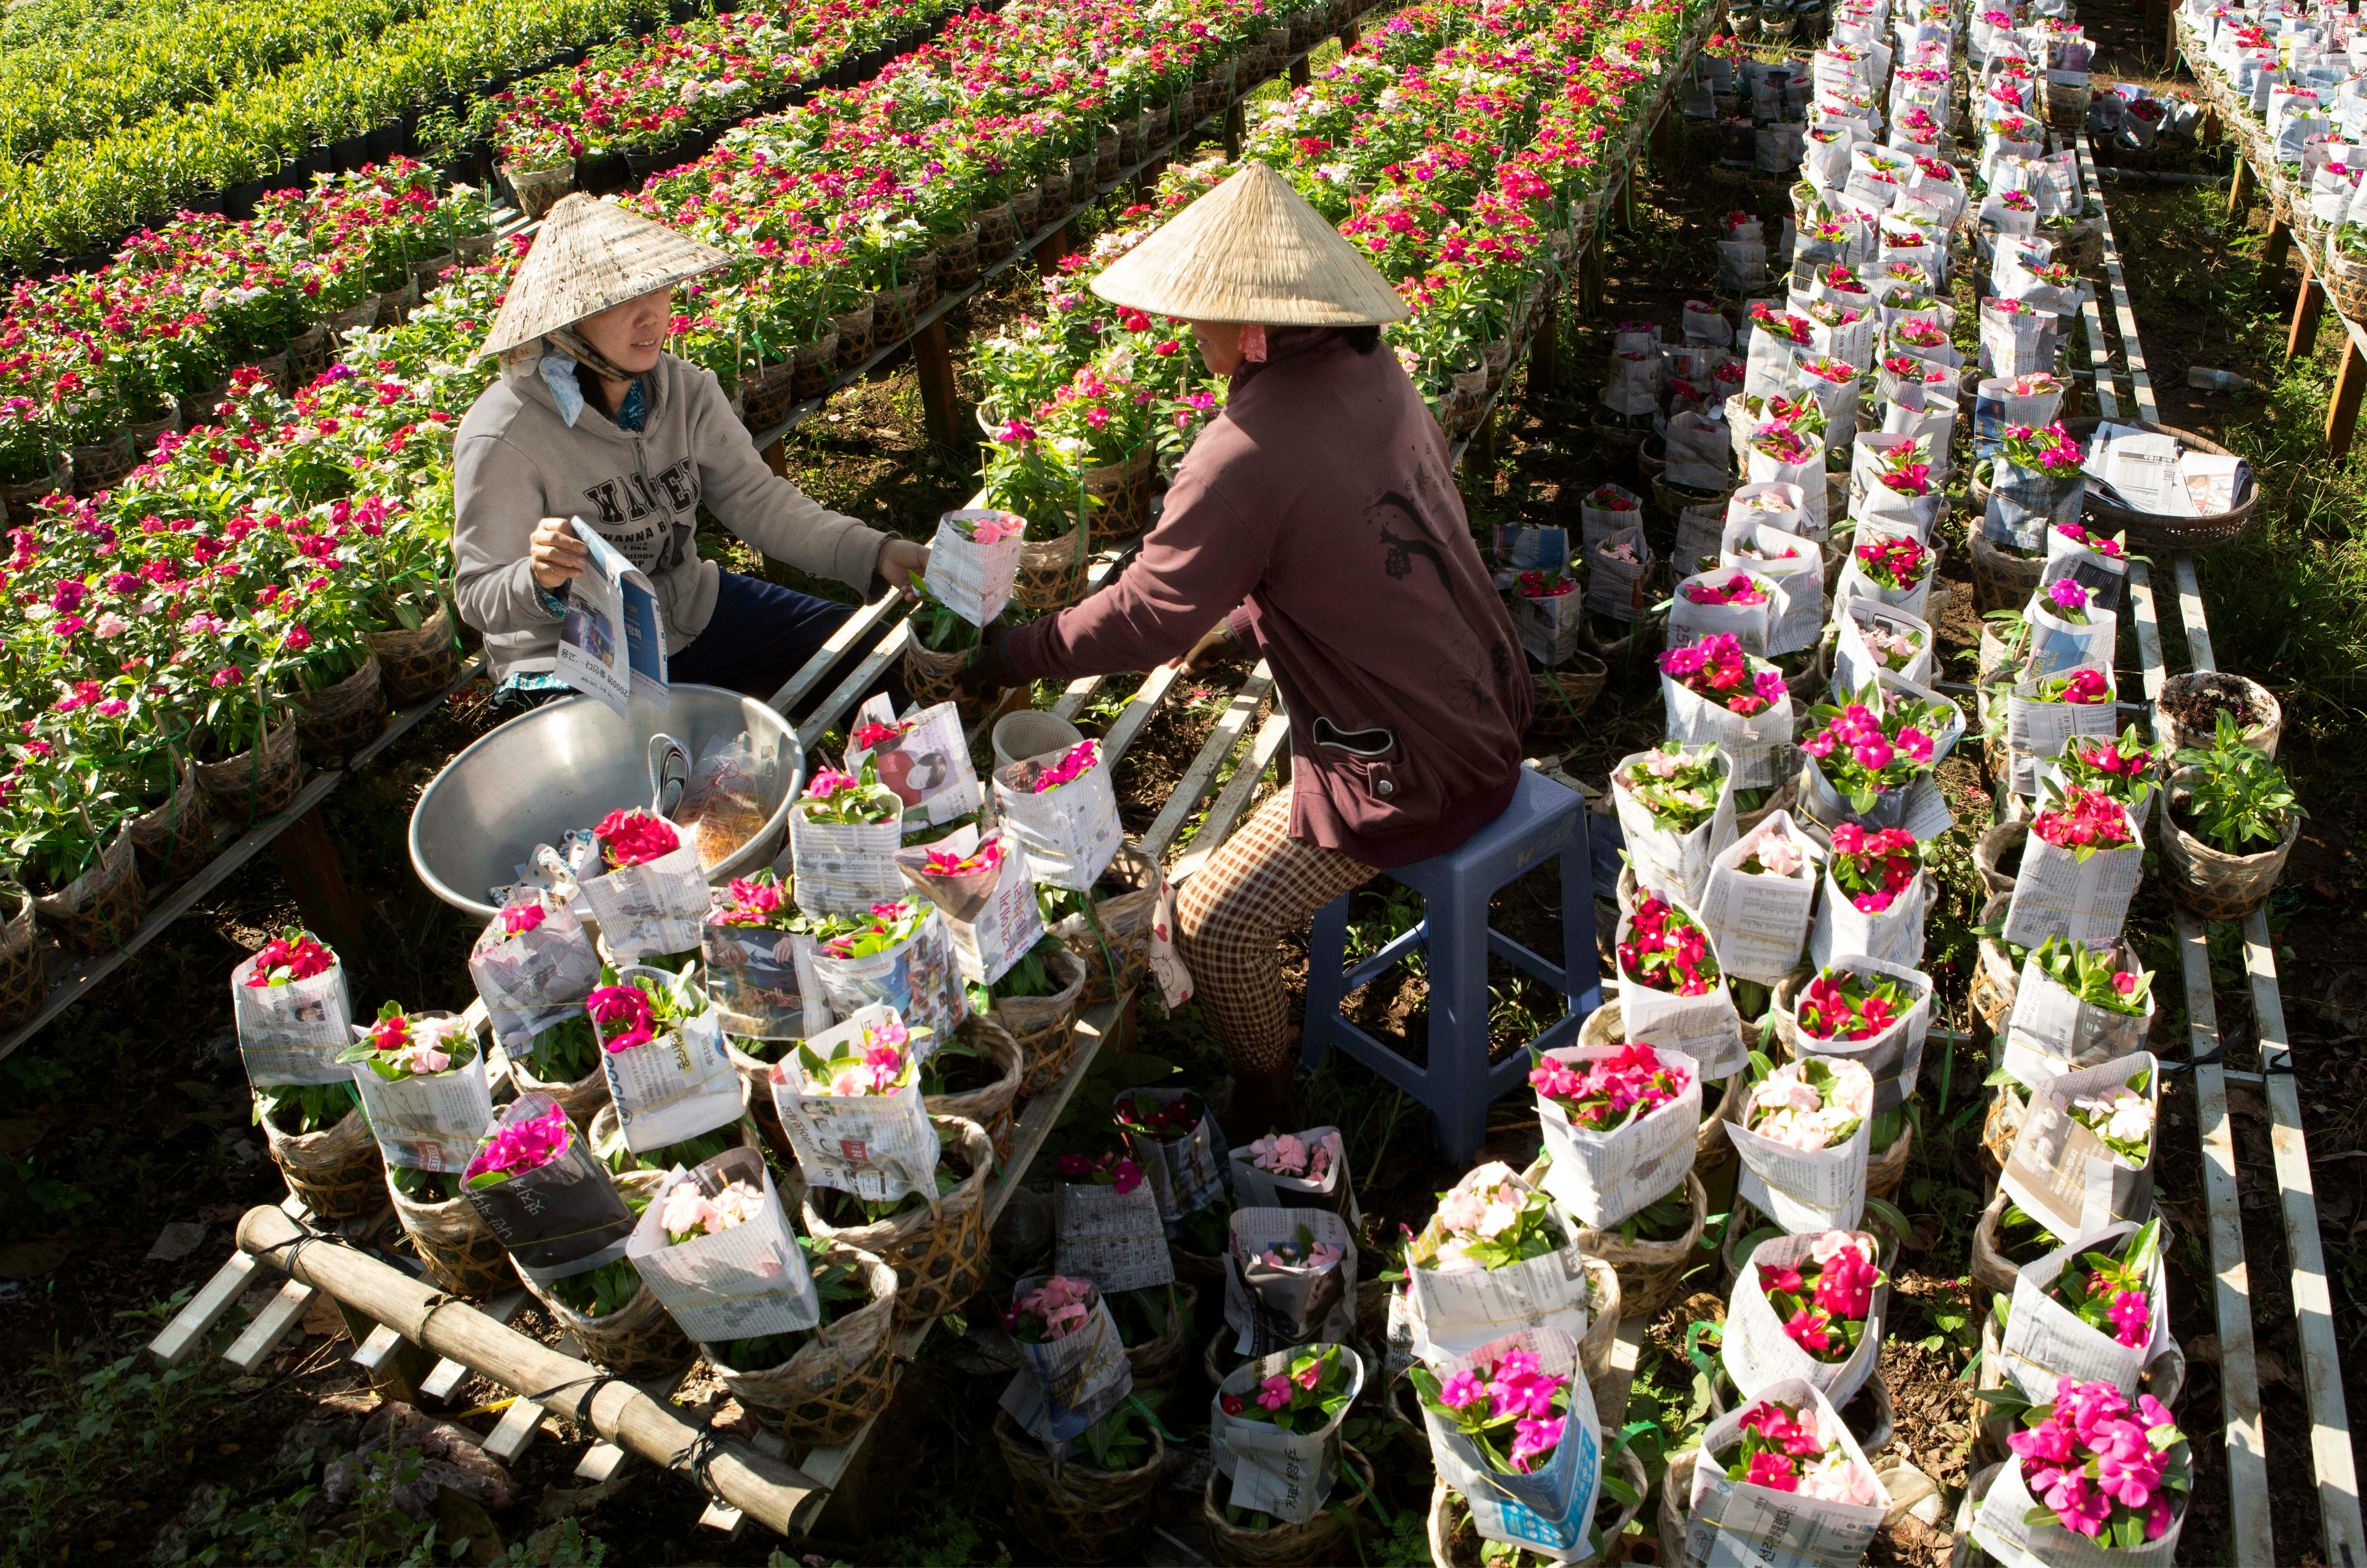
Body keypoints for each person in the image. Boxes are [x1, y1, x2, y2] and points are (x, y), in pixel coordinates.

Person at [959, 163, 1531, 1131]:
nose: (1191, 338)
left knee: (1214, 921)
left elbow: (1146, 615)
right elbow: (1346, 543)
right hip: (1485, 695)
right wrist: (1240, 624)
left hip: (1417, 766)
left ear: (1255, 325)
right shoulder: (1373, 374)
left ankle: (1268, 1101)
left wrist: (1011, 654)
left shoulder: (1244, 450)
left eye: (1202, 318)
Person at [454, 194, 929, 702]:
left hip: (689, 612)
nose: (650, 316)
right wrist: (540, 578)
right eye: (618, 301)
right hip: (578, 657)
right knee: (668, 774)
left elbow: (758, 500)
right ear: (568, 323)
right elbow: (477, 594)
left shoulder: (684, 390)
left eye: (657, 290)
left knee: (889, 663)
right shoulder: (504, 434)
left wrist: (875, 551)